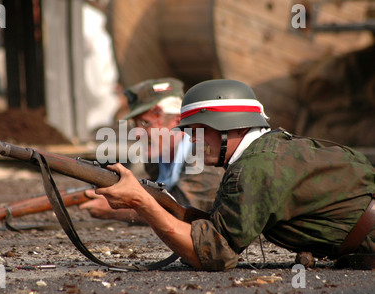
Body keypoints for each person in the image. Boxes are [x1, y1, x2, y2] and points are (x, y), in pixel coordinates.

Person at [94, 79, 375, 271]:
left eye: (201, 130)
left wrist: (142, 202)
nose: (194, 140)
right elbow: (217, 226)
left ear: (236, 128)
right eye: (191, 132)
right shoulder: (263, 153)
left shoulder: (254, 169)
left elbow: (214, 255)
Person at [80, 78, 223, 225]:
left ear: (178, 122)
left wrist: (115, 211)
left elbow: (184, 213)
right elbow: (160, 199)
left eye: (145, 123)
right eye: (135, 124)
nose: (136, 133)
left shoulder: (204, 157)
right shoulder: (157, 159)